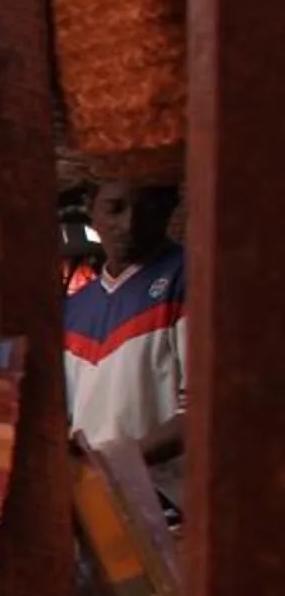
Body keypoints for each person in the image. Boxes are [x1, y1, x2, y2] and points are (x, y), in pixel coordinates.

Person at [64, 183, 186, 484]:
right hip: (97, 496)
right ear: (91, 209)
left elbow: (203, 412)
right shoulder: (76, 307)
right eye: (114, 209)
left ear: (169, 209)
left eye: (147, 210)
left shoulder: (190, 277)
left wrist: (112, 465)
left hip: (169, 496)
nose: (129, 224)